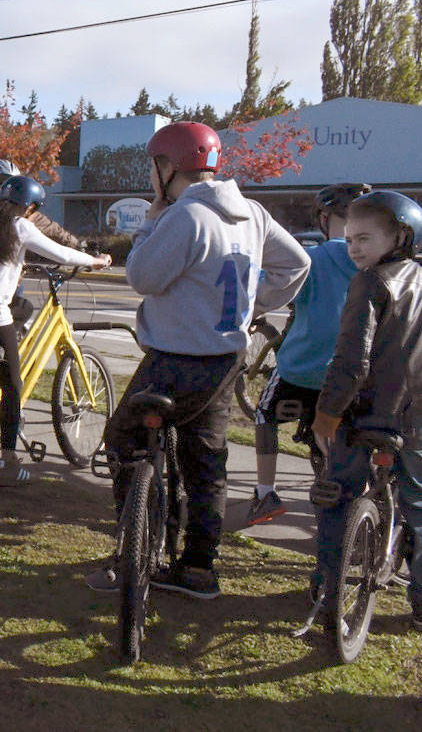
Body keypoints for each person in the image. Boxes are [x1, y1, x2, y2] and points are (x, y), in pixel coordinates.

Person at [84, 121, 308, 599]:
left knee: (124, 439)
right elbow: (297, 264)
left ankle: (133, 549)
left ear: (168, 167)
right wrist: (251, 306)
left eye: (153, 165)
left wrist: (151, 219)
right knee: (206, 463)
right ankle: (199, 568)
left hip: (174, 359)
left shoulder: (184, 217)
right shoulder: (252, 213)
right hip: (226, 359)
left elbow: (142, 277)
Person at [310, 191, 422, 633]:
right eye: (349, 239)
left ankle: (328, 589)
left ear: (401, 236)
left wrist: (327, 415)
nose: (354, 248)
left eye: (365, 238)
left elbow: (352, 361)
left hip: (373, 411)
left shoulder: (369, 282)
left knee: (337, 494)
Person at [0, 175, 111, 480]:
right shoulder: (20, 226)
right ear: (30, 206)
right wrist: (95, 261)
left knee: (20, 310)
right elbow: (60, 253)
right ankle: (8, 462)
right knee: (13, 384)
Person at [244, 184, 368, 525]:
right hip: (357, 371)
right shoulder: (374, 262)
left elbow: (272, 289)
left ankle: (265, 492)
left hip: (303, 369)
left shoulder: (311, 258)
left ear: (326, 219)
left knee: (265, 416)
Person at [0, 158, 86, 327]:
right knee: (22, 308)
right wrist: (80, 246)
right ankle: (4, 346)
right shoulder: (19, 211)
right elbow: (54, 232)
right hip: (0, 282)